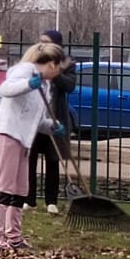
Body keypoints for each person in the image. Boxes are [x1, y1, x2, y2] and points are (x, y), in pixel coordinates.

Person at [0, 41, 68, 251]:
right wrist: (29, 84)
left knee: (21, 189)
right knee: (5, 187)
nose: (59, 73)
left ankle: (14, 236)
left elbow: (36, 120)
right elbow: (6, 89)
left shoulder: (46, 87)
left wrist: (51, 127)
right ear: (51, 64)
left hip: (23, 139)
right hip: (7, 133)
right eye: (59, 68)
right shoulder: (24, 71)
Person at [25, 29, 77, 215]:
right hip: (35, 119)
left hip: (54, 118)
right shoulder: (33, 62)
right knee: (29, 160)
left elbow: (70, 86)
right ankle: (29, 199)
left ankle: (51, 201)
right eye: (41, 41)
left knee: (53, 160)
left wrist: (55, 73)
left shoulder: (67, 64)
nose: (42, 45)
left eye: (46, 42)